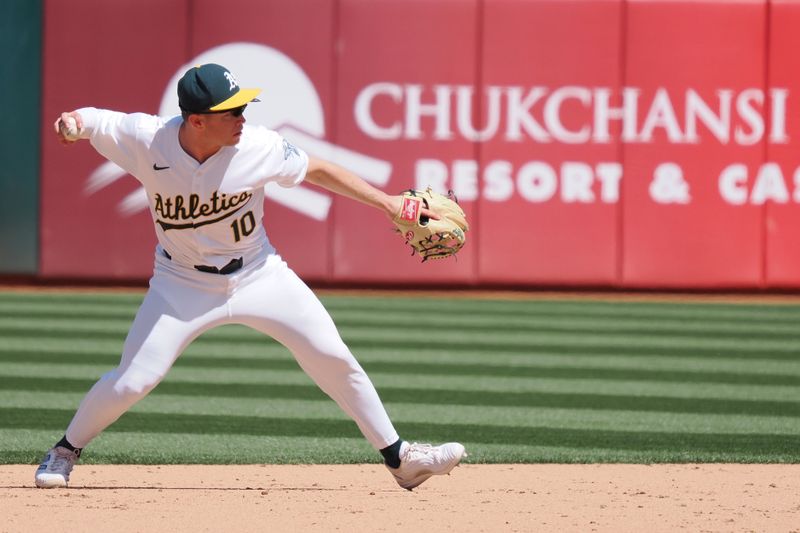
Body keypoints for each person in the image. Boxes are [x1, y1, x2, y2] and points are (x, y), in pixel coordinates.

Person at [35, 63, 465, 490]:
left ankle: (400, 458)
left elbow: (316, 169)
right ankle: (64, 451)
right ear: (197, 121)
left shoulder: (259, 146)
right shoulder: (147, 139)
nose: (243, 118)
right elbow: (93, 120)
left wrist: (388, 204)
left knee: (333, 357)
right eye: (232, 112)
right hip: (180, 282)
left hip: (260, 274)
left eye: (243, 108)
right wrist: (72, 123)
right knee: (133, 380)